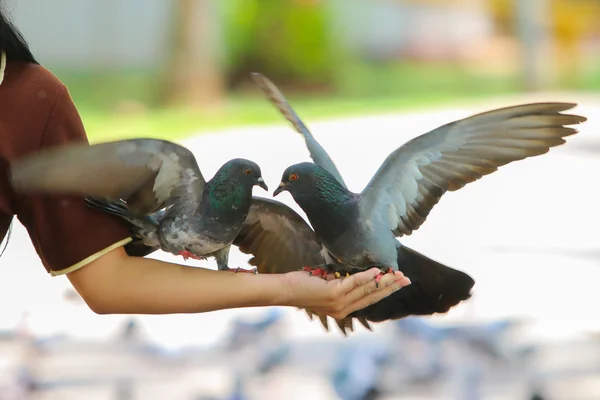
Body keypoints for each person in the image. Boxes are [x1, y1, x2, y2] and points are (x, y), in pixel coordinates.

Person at [0, 5, 409, 320]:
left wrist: (288, 287)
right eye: (254, 177)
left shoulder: (26, 98)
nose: (263, 185)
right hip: (167, 230)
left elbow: (107, 282)